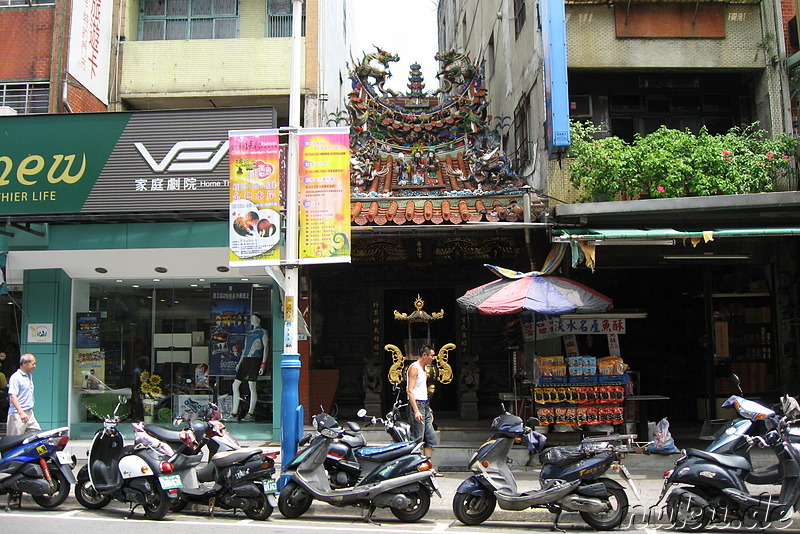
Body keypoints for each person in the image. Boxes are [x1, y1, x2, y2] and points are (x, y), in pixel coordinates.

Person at [406, 344, 440, 472]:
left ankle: (428, 468)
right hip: (417, 404)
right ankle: (412, 467)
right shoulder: (414, 368)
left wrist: (428, 409)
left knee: (430, 437)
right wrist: (416, 410)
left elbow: (423, 391)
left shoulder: (423, 368)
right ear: (424, 355)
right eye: (432, 355)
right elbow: (410, 391)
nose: (433, 358)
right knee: (417, 438)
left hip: (424, 404)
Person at [231, 313, 268, 422]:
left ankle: (250, 413)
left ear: (258, 320)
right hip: (246, 359)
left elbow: (266, 348)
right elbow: (245, 348)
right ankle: (234, 413)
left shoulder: (263, 332)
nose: (251, 320)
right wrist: (240, 362)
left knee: (252, 385)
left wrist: (263, 363)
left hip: (255, 359)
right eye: (251, 318)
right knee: (235, 385)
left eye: (253, 318)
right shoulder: (249, 333)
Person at [7, 352, 40, 435]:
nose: (34, 366)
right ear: (25, 363)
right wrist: (21, 412)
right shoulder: (16, 377)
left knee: (37, 435)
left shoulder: (29, 376)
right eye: (33, 364)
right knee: (14, 441)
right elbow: (13, 397)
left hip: (29, 412)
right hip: (17, 414)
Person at [131, 355, 149, 422]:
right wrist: (135, 395)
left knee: (142, 407)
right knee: (138, 407)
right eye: (146, 362)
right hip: (138, 393)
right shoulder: (137, 372)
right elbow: (134, 384)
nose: (148, 364)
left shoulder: (144, 371)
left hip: (143, 392)